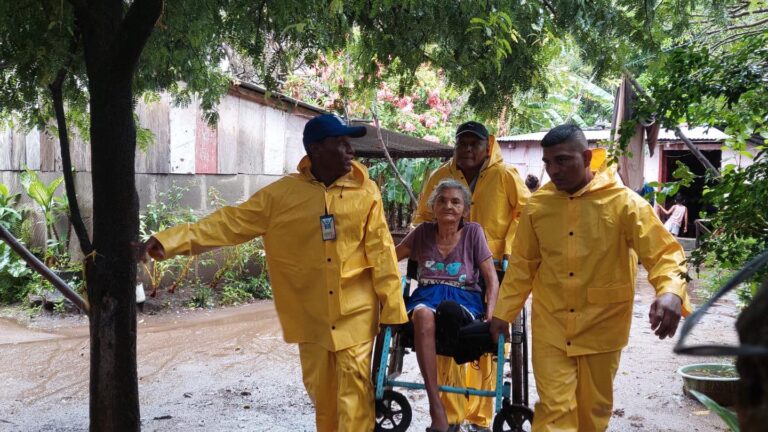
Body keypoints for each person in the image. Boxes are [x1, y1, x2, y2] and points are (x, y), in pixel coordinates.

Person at [139, 114, 408, 432]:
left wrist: (392, 309)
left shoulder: (367, 192)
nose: (351, 150)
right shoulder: (281, 196)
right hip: (312, 316)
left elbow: (382, 253)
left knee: (353, 401)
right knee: (324, 401)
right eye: (342, 143)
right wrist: (169, 241)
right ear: (317, 150)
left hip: (357, 313)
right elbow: (230, 223)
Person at [489, 124, 692, 432]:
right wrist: (502, 313)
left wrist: (671, 291)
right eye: (548, 162)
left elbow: (664, 253)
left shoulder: (625, 203)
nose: (553, 170)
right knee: (554, 410)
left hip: (604, 325)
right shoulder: (537, 207)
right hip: (551, 326)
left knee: (592, 414)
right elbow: (522, 266)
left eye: (562, 160)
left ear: (586, 157)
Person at [413, 121, 529, 431]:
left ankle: (479, 416)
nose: (467, 149)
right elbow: (423, 217)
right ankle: (450, 415)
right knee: (444, 335)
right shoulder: (440, 176)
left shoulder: (506, 176)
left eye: (474, 144)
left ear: (486, 146)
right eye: (461, 142)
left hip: (492, 264)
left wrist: (507, 249)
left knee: (484, 340)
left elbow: (526, 213)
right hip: (444, 268)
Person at [397, 179, 499, 432]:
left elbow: (492, 279)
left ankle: (456, 405)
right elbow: (388, 256)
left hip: (463, 299)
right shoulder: (422, 233)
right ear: (433, 206)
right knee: (422, 314)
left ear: (465, 209)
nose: (448, 206)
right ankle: (437, 408)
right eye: (441, 200)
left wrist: (492, 311)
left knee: (449, 311)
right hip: (426, 296)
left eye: (455, 201)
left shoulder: (474, 232)